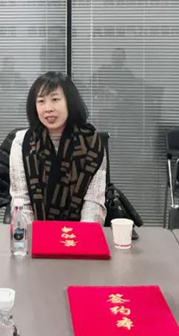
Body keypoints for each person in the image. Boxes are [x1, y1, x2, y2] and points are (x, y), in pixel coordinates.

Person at [9, 72, 107, 224]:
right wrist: (33, 235)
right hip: (36, 231)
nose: (48, 108)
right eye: (41, 101)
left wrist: (82, 236)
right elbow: (21, 201)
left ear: (70, 102)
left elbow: (93, 203)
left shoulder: (92, 143)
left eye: (55, 99)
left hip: (78, 232)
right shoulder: (22, 142)